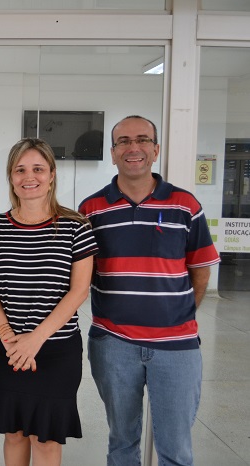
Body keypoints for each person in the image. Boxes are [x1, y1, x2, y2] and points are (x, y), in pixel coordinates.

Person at [78, 115, 220, 466]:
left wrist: (180, 312)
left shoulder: (185, 205)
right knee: (122, 442)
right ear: (112, 153)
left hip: (177, 348)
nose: (133, 147)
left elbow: (200, 268)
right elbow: (82, 275)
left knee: (176, 449)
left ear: (155, 150)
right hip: (113, 344)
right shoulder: (91, 210)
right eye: (123, 141)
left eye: (142, 140)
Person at [0, 138, 98, 466]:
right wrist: (8, 337)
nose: (28, 177)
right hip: (6, 348)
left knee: (45, 439)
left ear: (52, 175)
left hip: (56, 349)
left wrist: (35, 339)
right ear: (10, 176)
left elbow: (78, 292)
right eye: (20, 169)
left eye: (37, 169)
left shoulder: (76, 227)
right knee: (14, 432)